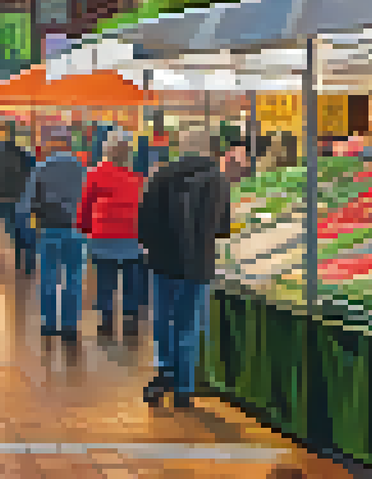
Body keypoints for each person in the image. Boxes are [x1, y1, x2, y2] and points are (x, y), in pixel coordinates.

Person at [138, 129, 233, 409]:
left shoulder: (160, 176)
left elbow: (144, 223)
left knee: (163, 319)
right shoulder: (219, 180)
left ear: (181, 147)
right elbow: (224, 228)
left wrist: (153, 247)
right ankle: (184, 387)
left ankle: (165, 370)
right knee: (189, 324)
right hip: (198, 264)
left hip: (163, 262)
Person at [78, 131, 147, 337]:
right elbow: (142, 206)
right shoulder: (135, 177)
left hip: (103, 234)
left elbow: (86, 204)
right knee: (130, 279)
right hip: (131, 234)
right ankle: (130, 317)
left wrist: (84, 228)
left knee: (105, 279)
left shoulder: (94, 174)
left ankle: (107, 319)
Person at [20, 128, 87, 339]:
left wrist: (32, 225)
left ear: (53, 144)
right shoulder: (82, 169)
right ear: (68, 144)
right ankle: (70, 326)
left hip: (49, 227)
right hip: (76, 228)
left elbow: (29, 202)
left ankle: (48, 324)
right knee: (74, 276)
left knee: (49, 275)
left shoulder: (40, 168)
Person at [0, 123, 34, 271]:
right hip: (15, 196)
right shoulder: (21, 153)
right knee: (15, 228)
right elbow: (28, 173)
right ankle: (18, 259)